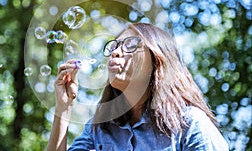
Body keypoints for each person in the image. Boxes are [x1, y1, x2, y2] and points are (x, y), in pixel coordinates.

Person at [47, 23, 229, 151]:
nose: (115, 52)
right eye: (114, 46)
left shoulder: (190, 124)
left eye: (130, 45)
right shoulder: (100, 127)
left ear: (157, 60)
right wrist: (64, 108)